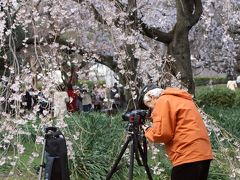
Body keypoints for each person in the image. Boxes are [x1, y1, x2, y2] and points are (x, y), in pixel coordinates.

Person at [138, 85, 213, 180]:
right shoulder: (179, 98)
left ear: (152, 96)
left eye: (148, 104)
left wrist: (147, 129)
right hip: (202, 153)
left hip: (187, 154)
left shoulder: (163, 101)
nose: (151, 109)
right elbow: (176, 121)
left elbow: (161, 134)